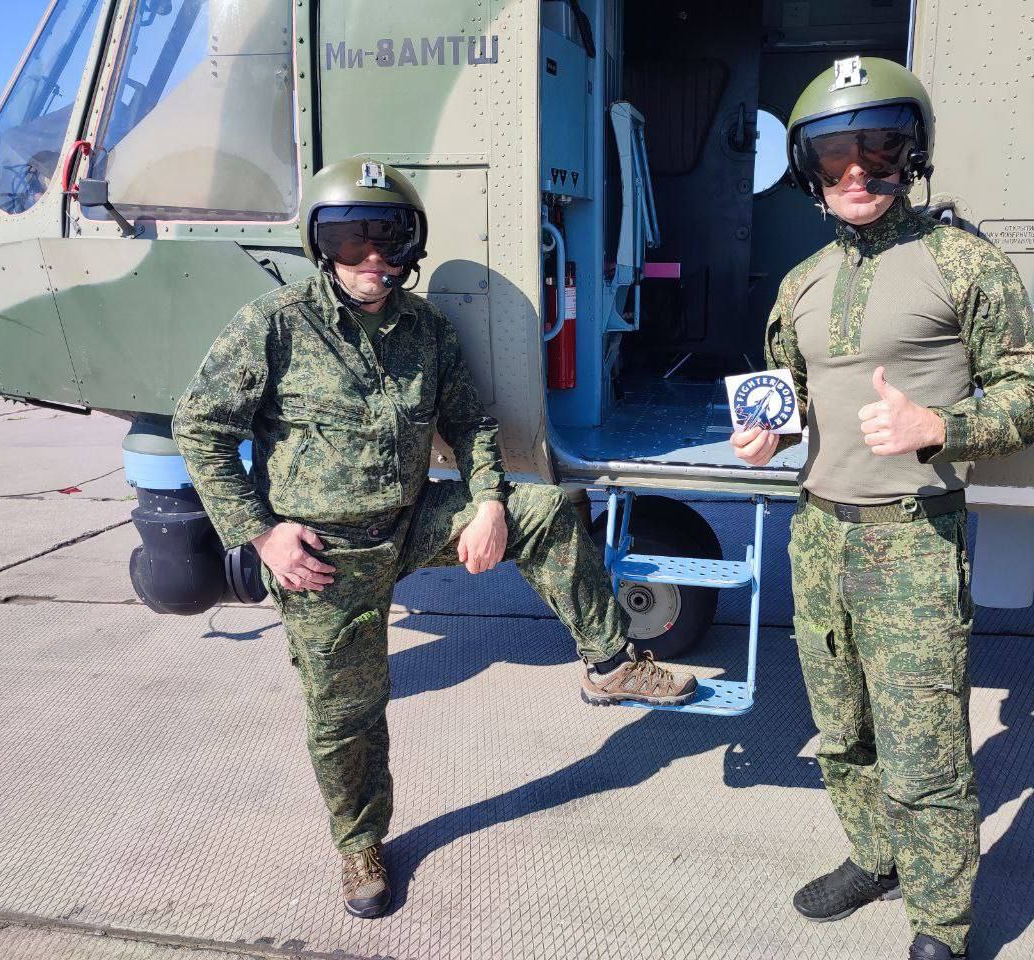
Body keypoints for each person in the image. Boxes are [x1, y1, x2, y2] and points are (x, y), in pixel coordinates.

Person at [172, 157, 696, 920]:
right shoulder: (277, 325)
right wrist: (260, 534)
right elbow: (201, 427)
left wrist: (486, 502)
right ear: (322, 245)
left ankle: (610, 664)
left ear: (410, 245)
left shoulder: (425, 329)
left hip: (414, 519)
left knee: (544, 507)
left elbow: (473, 423)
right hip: (324, 554)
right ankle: (359, 845)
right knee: (344, 714)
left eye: (387, 238)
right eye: (351, 241)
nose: (372, 259)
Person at [731, 57, 1034, 959]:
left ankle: (941, 924)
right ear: (810, 170)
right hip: (817, 535)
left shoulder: (964, 263)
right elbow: (785, 404)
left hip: (911, 543)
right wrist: (767, 439)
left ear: (911, 156)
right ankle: (875, 857)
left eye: (880, 147)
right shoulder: (797, 284)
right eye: (835, 155)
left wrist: (934, 425)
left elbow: (1029, 401)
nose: (858, 171)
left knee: (927, 758)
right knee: (841, 733)